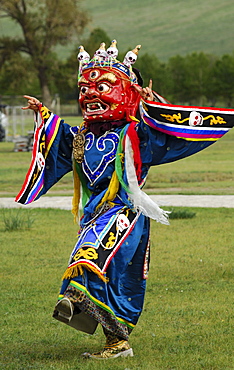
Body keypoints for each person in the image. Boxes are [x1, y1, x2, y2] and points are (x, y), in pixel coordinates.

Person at [16, 42, 234, 359]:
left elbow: (169, 130)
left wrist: (151, 102)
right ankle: (117, 343)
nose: (90, 95)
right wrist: (43, 113)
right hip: (93, 216)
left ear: (124, 92)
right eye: (84, 88)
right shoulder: (81, 135)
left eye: (102, 87)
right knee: (112, 281)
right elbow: (59, 141)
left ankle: (77, 302)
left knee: (90, 257)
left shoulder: (135, 134)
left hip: (125, 214)